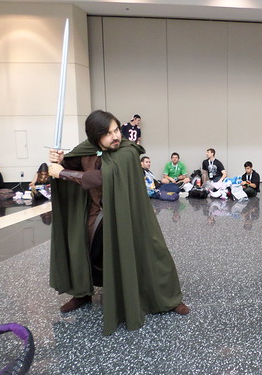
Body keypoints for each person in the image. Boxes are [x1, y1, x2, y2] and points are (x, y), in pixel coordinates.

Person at [48, 110, 189, 335]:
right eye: (108, 133)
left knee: (152, 250)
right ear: (95, 137)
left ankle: (168, 299)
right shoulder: (86, 149)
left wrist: (63, 172)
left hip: (128, 214)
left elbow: (103, 175)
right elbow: (69, 164)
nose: (115, 136)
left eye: (116, 130)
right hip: (96, 213)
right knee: (83, 248)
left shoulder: (127, 151)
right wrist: (60, 160)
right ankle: (83, 293)